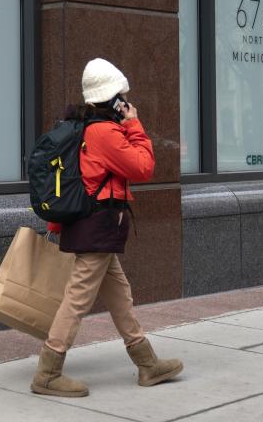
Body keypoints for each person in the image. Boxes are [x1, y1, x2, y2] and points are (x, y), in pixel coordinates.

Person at [31, 58, 184, 397]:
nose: (126, 103)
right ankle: (48, 371)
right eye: (122, 97)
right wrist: (135, 123)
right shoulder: (105, 132)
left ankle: (147, 364)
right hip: (97, 228)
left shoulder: (86, 127)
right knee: (77, 298)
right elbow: (143, 167)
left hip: (95, 227)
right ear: (113, 98)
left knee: (120, 296)